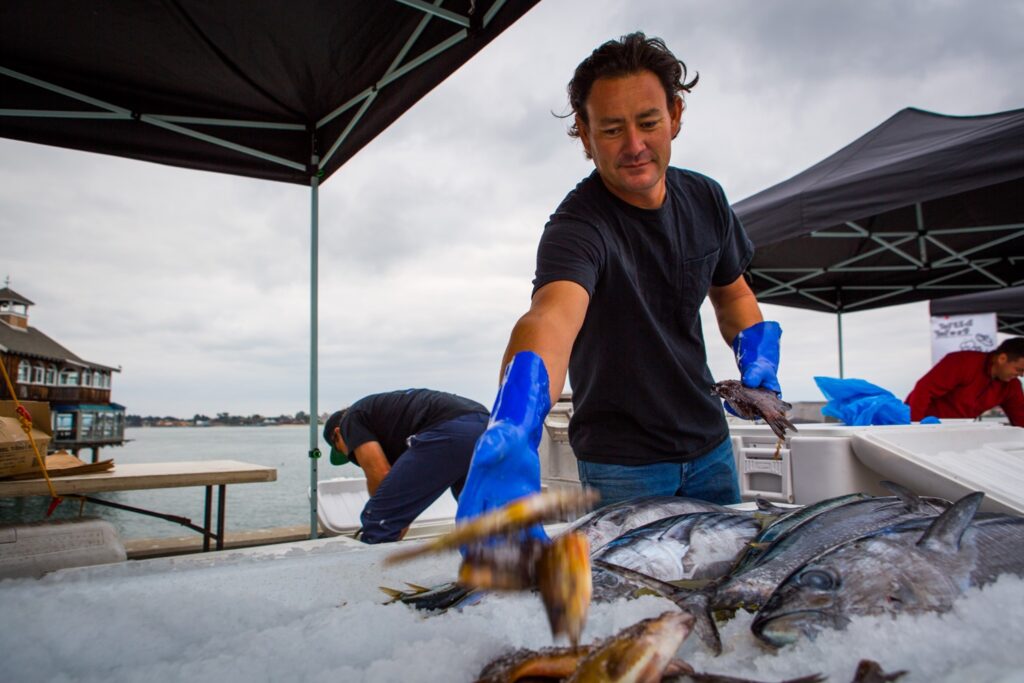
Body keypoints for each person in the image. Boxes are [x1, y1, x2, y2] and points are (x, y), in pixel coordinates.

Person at [456, 32, 783, 527]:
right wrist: (515, 422)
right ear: (585, 137)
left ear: (674, 116)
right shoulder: (577, 226)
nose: (635, 146)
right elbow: (551, 319)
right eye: (611, 130)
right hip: (621, 465)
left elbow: (733, 293)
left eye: (648, 123)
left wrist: (755, 352)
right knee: (633, 600)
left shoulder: (707, 200)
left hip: (711, 445)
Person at [323, 388, 489, 543]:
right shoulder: (387, 421)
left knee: (378, 519)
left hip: (449, 428)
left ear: (338, 433)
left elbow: (380, 475)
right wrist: (398, 517)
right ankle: (495, 569)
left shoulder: (350, 421)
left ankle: (373, 573)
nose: (350, 455)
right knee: (478, 515)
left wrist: (387, 519)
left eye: (342, 450)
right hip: (488, 424)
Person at [906, 337, 1024, 426]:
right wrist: (914, 425)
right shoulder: (961, 362)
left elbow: (1020, 416)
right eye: (1019, 369)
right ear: (1002, 358)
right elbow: (923, 390)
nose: (1021, 375)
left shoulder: (1012, 386)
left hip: (958, 431)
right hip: (923, 424)